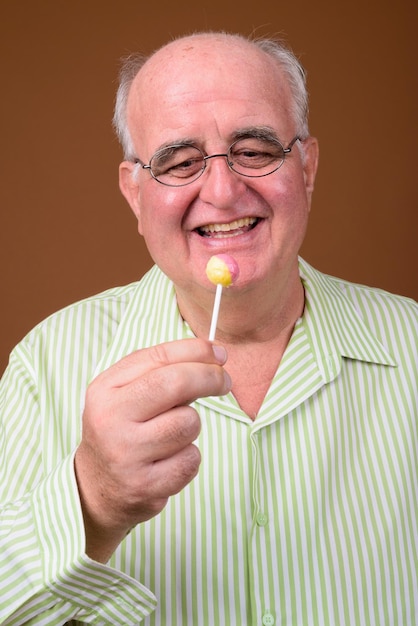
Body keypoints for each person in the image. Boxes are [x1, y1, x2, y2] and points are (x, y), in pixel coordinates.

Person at [0, 30, 417, 626]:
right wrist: (90, 501)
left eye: (254, 151)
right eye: (179, 161)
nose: (222, 191)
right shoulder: (46, 363)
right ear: (134, 193)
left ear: (307, 166)